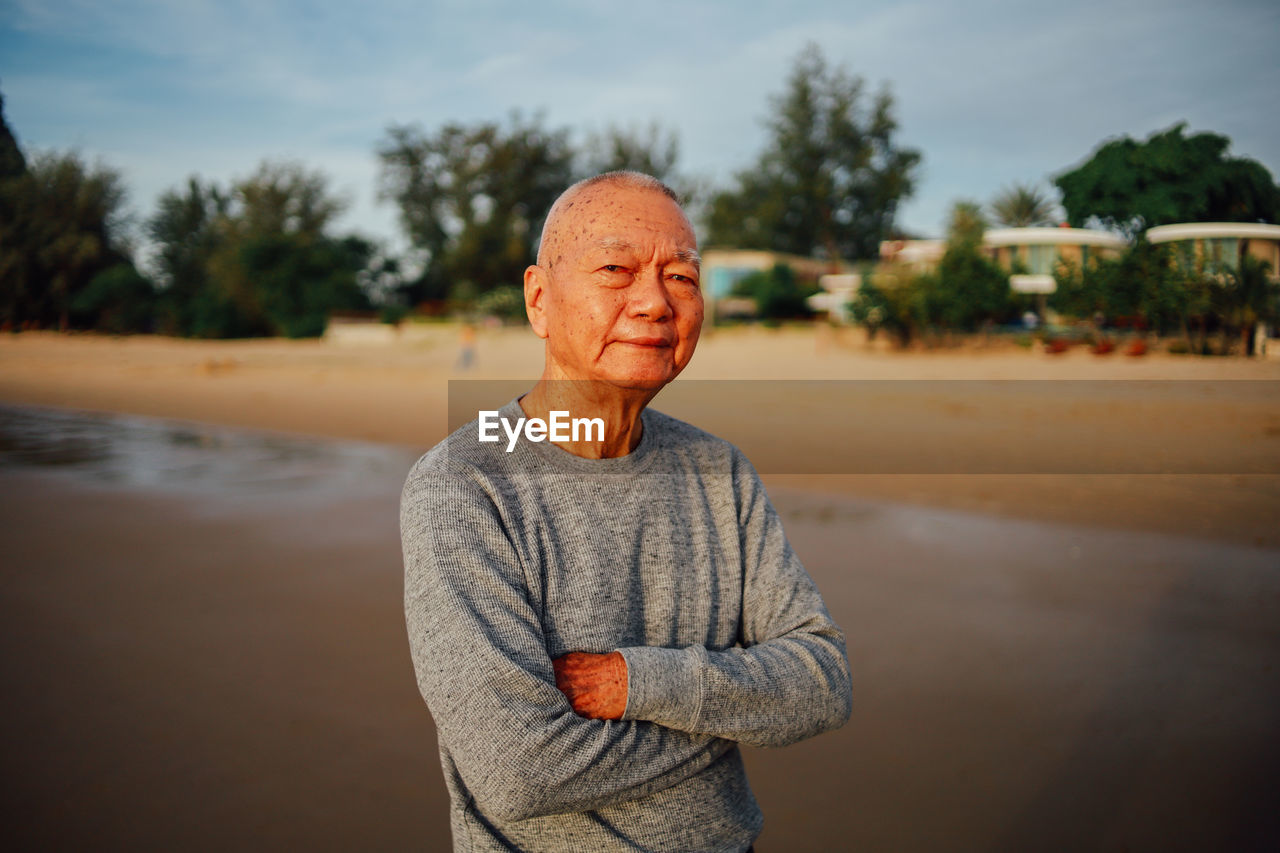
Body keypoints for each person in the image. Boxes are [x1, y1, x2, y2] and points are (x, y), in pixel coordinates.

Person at [401, 171, 851, 852]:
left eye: (682, 277)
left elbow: (823, 680)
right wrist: (729, 724)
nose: (654, 302)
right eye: (616, 268)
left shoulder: (717, 469)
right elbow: (519, 771)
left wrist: (635, 681)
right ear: (539, 299)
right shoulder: (466, 483)